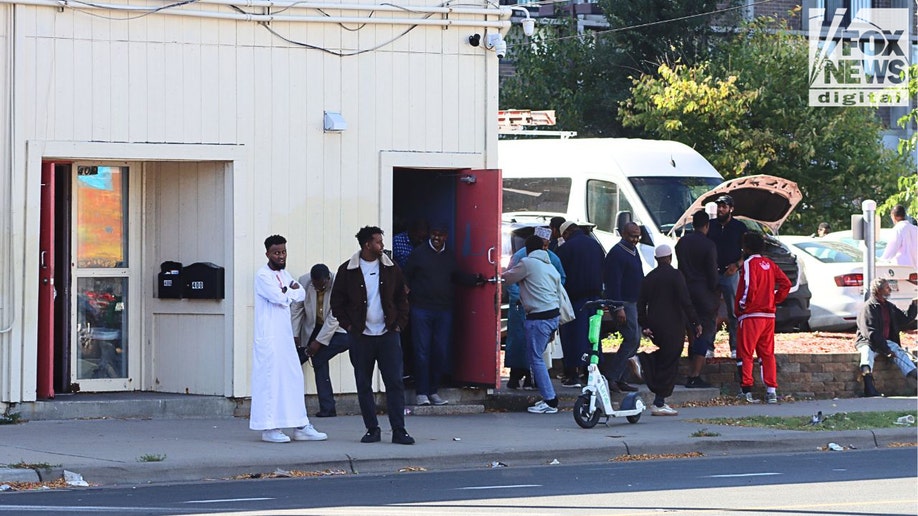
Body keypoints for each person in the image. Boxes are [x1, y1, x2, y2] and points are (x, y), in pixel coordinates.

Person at [330, 226, 414, 445]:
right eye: (378, 242)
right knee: (363, 383)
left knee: (394, 382)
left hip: (388, 334)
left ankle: (399, 430)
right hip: (361, 336)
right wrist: (349, 326)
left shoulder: (390, 267)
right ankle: (372, 429)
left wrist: (398, 325)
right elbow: (337, 303)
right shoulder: (347, 270)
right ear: (367, 244)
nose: (382, 245)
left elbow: (402, 298)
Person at [250, 235, 328, 443]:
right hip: (269, 338)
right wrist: (286, 292)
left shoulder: (285, 274)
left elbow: (300, 294)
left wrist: (286, 292)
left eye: (283, 252)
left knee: (293, 378)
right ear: (267, 253)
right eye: (276, 252)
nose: (281, 256)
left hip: (284, 338)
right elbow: (278, 297)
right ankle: (269, 428)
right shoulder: (262, 276)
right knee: (270, 381)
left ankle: (300, 425)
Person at [402, 222, 485, 406]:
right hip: (421, 309)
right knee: (422, 352)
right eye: (434, 234)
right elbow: (405, 276)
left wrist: (476, 279)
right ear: (430, 234)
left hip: (444, 309)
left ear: (446, 236)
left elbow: (456, 276)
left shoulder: (449, 255)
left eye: (440, 235)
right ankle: (421, 392)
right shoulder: (419, 254)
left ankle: (433, 391)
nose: (437, 238)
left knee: (440, 351)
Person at [633, 244, 702, 416]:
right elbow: (686, 301)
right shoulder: (676, 275)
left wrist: (645, 324)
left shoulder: (649, 277)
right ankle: (658, 398)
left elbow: (640, 304)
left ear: (656, 259)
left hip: (655, 324)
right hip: (673, 324)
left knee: (665, 357)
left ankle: (659, 398)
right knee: (670, 360)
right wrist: (695, 322)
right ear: (670, 257)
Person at [502, 235, 564, 414]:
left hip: (538, 317)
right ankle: (548, 397)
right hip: (553, 316)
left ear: (527, 249)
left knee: (536, 359)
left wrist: (491, 276)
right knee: (538, 358)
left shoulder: (527, 263)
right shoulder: (550, 265)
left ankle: (550, 400)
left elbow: (507, 278)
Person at [735, 232, 791, 404]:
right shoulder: (770, 263)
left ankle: (747, 391)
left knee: (746, 352)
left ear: (747, 247)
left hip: (752, 314)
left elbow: (748, 286)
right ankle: (771, 390)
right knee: (767, 354)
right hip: (768, 315)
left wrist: (743, 305)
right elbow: (786, 283)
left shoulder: (749, 264)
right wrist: (775, 299)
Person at [290, 263, 353, 418]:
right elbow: (297, 308)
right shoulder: (304, 282)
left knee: (318, 354)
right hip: (314, 327)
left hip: (340, 329)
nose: (317, 289)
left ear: (327, 279)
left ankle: (328, 407)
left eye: (321, 286)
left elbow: (335, 317)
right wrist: (295, 333)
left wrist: (318, 343)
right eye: (315, 285)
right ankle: (327, 408)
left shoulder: (339, 283)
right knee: (313, 359)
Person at [555, 220, 605, 387]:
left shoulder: (566, 248)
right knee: (593, 336)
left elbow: (560, 275)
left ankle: (572, 374)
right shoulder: (595, 245)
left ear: (566, 233)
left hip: (574, 299)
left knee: (573, 337)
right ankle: (591, 372)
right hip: (596, 298)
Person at [676, 211, 719, 389]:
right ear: (706, 225)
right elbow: (712, 274)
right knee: (705, 333)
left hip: (685, 290)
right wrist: (716, 290)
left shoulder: (682, 243)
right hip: (704, 293)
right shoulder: (708, 245)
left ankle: (689, 365)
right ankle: (695, 374)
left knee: (691, 330)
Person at [854, 278, 918, 397]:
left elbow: (904, 320)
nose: (890, 290)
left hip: (886, 342)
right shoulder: (868, 308)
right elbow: (870, 333)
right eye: (887, 287)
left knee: (901, 354)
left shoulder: (889, 307)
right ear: (878, 290)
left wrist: (914, 305)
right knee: (866, 356)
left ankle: (915, 378)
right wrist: (886, 349)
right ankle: (869, 389)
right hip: (868, 342)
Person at [601, 222, 644, 393]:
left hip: (634, 301)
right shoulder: (617, 253)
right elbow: (613, 283)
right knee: (631, 338)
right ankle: (613, 376)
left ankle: (621, 377)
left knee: (635, 339)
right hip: (624, 303)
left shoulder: (633, 251)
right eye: (632, 236)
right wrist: (618, 307)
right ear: (623, 234)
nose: (635, 239)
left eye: (637, 236)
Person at [707, 194, 747, 360]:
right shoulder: (711, 225)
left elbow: (747, 250)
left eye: (724, 206)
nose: (721, 209)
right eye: (719, 206)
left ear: (731, 208)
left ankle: (734, 347)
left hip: (731, 273)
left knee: (734, 312)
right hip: (712, 273)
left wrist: (737, 265)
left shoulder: (739, 227)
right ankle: (709, 347)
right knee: (710, 311)